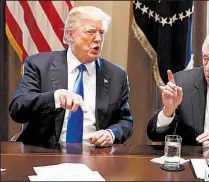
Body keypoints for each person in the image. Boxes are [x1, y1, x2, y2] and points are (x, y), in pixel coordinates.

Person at [9, 6, 133, 147]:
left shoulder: (117, 75)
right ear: (70, 35)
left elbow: (125, 121)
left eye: (102, 33)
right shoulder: (39, 65)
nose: (98, 39)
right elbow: (17, 109)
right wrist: (56, 98)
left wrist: (112, 133)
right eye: (90, 32)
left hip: (96, 155)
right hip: (46, 153)